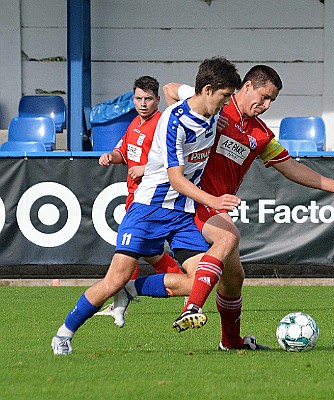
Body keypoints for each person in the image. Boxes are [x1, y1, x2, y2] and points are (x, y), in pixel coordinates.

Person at [114, 65, 334, 351]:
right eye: (264, 97)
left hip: (216, 205)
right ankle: (192, 308)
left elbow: (291, 168)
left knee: (233, 279)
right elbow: (171, 90)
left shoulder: (261, 135)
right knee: (227, 238)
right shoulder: (217, 107)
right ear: (246, 87)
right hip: (194, 200)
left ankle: (227, 340)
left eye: (272, 101)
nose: (266, 105)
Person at [51, 56, 242, 355]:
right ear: (207, 89)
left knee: (201, 280)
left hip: (182, 214)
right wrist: (214, 201)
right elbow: (177, 180)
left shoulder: (202, 101)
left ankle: (133, 289)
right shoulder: (175, 123)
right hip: (149, 209)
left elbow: (169, 88)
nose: (227, 103)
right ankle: (64, 333)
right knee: (113, 280)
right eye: (225, 96)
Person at [97, 76, 182, 318]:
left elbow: (175, 157)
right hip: (134, 195)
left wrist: (146, 168)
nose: (142, 103)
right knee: (147, 251)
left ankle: (119, 298)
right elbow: (124, 151)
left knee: (128, 247)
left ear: (157, 99)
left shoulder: (163, 124)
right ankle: (186, 281)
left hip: (151, 197)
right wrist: (111, 157)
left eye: (148, 99)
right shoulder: (135, 122)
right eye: (138, 98)